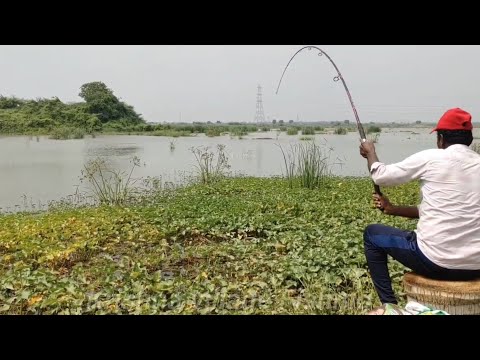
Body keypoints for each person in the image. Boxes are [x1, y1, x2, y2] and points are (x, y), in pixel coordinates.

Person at [359, 107, 480, 311]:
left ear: (441, 139)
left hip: (434, 261)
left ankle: (389, 305)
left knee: (372, 234)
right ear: (469, 139)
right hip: (476, 265)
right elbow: (441, 210)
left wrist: (370, 152)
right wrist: (392, 208)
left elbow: (381, 176)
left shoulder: (432, 158)